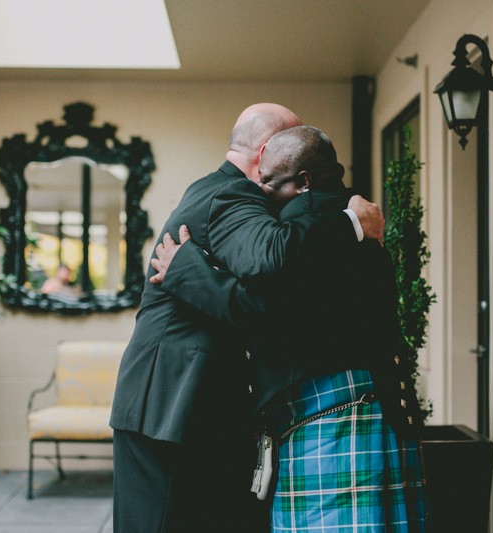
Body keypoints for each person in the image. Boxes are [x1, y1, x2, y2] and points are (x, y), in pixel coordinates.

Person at [109, 105, 385, 533]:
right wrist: (352, 222)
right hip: (175, 403)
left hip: (179, 401)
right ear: (265, 154)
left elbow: (269, 296)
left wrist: (193, 273)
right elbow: (270, 258)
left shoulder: (214, 188)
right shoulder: (233, 194)